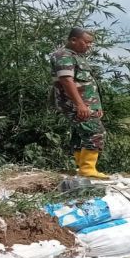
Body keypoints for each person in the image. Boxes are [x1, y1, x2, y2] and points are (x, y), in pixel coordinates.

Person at [50, 27, 108, 179]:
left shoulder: (77, 56)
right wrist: (80, 105)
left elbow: (86, 84)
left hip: (87, 104)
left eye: (91, 43)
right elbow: (67, 81)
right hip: (74, 104)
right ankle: (87, 169)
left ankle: (82, 167)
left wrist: (96, 107)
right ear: (73, 40)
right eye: (86, 42)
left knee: (79, 134)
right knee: (96, 132)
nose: (89, 46)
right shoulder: (63, 55)